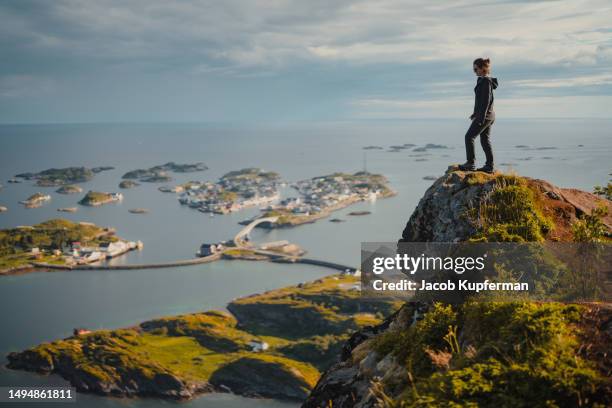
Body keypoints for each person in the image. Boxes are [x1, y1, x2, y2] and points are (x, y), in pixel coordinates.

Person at [458, 58, 499, 173]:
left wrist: (480, 117)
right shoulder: (482, 80)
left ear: (483, 69)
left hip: (485, 116)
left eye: (476, 69)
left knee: (469, 137)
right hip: (489, 115)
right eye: (473, 69)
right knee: (485, 140)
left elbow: (486, 101)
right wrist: (475, 113)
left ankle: (471, 163)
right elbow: (480, 101)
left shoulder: (486, 81)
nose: (474, 71)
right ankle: (489, 166)